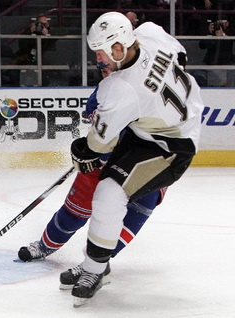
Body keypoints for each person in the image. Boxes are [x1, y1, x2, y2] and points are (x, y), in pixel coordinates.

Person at [64, 12, 204, 306]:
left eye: (100, 53)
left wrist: (82, 152)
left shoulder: (120, 89)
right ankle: (98, 261)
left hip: (171, 146)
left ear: (118, 48)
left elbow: (98, 145)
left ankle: (94, 269)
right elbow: (182, 55)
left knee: (108, 195)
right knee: (110, 192)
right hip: (164, 123)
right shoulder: (150, 33)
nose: (98, 61)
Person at [18, 66, 167, 274]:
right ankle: (45, 246)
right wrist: (90, 152)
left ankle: (94, 264)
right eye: (104, 69)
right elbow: (105, 135)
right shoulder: (98, 98)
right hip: (104, 166)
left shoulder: (150, 93)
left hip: (146, 166)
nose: (107, 72)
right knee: (73, 212)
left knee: (137, 211)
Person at [12, 13, 56, 86]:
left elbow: (63, 32)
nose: (41, 27)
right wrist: (30, 32)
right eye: (40, 24)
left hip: (43, 59)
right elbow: (22, 45)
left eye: (44, 24)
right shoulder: (28, 32)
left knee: (44, 79)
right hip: (28, 58)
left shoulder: (50, 31)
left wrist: (48, 33)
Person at [198, 17, 235, 86]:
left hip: (225, 63)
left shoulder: (230, 33)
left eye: (221, 24)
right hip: (211, 62)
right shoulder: (211, 36)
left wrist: (222, 35)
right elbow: (202, 45)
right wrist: (209, 33)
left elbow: (227, 46)